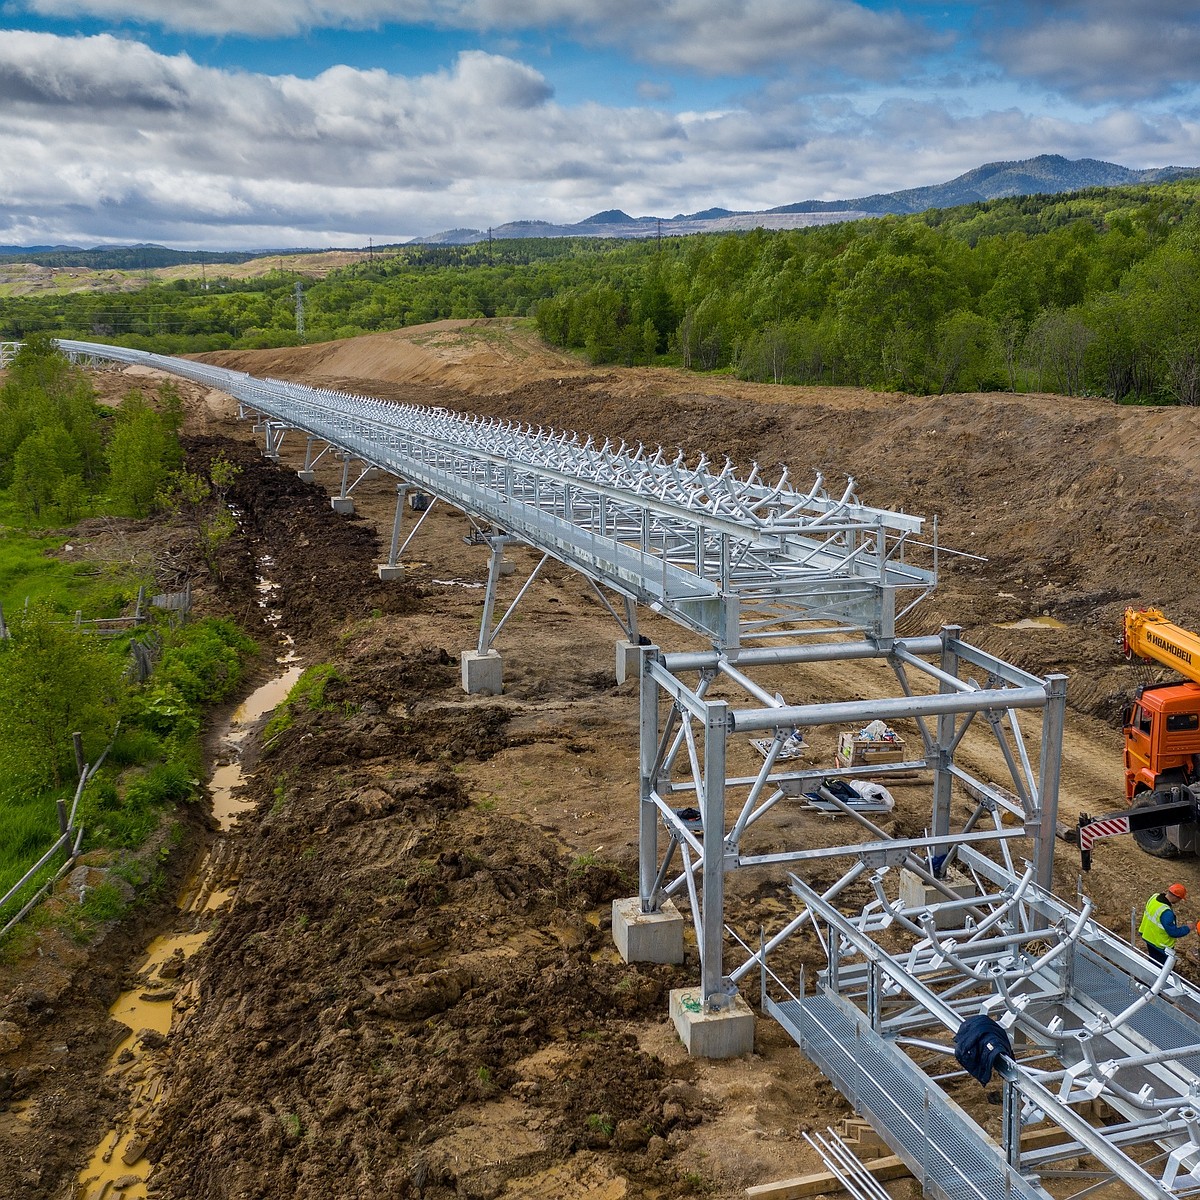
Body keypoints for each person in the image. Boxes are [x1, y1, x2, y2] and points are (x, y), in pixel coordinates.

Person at [1139, 883, 1191, 965]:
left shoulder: (1154, 897)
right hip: (1160, 945)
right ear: (1176, 897)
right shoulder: (1166, 912)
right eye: (1180, 899)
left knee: (1153, 960)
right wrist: (1187, 928)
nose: (1179, 901)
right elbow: (1173, 932)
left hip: (1148, 936)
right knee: (1160, 967)